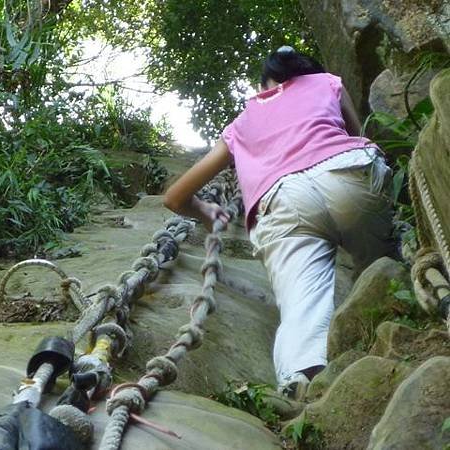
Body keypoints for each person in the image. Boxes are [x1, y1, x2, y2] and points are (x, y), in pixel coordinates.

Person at [163, 46, 397, 400]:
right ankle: (402, 309)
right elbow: (355, 133)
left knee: (301, 314)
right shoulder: (327, 82)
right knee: (384, 266)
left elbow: (175, 197)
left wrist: (206, 211)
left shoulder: (242, 121)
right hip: (347, 173)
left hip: (281, 202)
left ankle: (304, 391)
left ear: (264, 86)